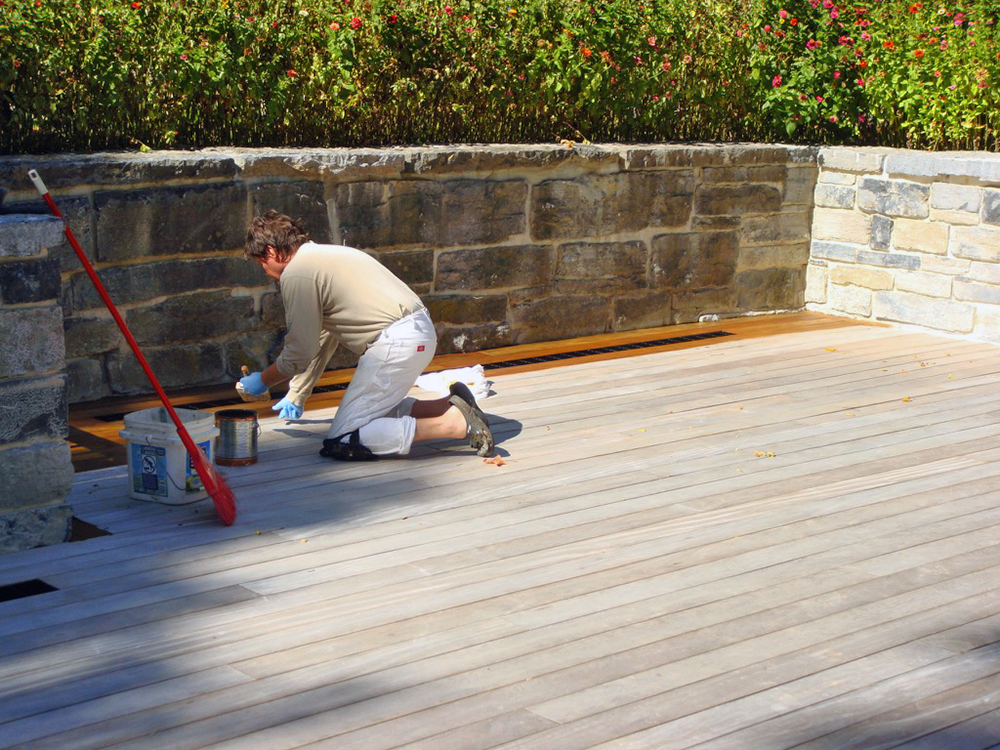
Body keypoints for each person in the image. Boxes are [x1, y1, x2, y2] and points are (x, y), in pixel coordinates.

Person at [238, 210, 494, 461]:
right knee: (376, 410)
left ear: (270, 251)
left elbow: (300, 352)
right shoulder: (328, 255)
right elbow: (322, 338)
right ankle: (449, 404)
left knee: (344, 438)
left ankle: (454, 425)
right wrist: (297, 393)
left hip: (395, 341)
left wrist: (263, 380)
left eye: (261, 263)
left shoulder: (297, 273)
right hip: (417, 333)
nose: (265, 271)